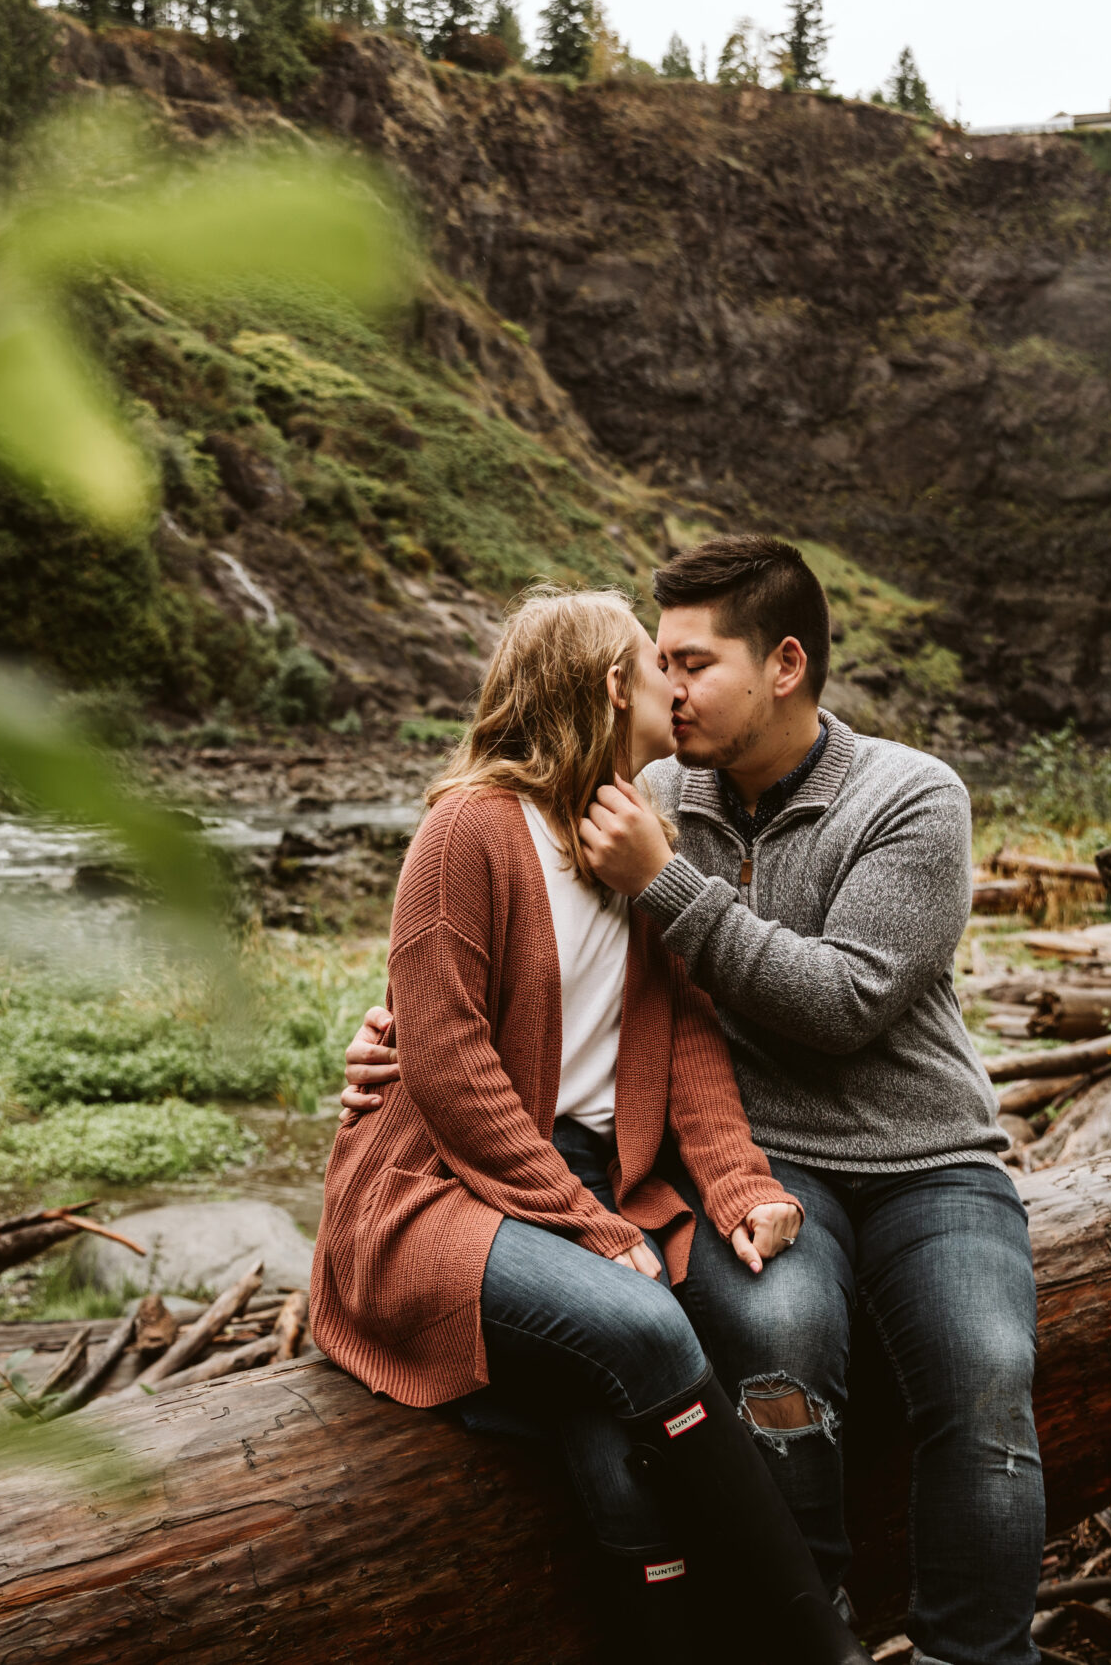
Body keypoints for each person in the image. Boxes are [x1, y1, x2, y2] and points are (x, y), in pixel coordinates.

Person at [344, 539, 1042, 1665]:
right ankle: (802, 1630)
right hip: (745, 1163)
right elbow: (503, 972)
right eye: (654, 662)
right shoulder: (635, 796)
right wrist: (393, 1030)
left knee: (987, 1378)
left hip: (923, 1158)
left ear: (783, 666)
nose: (669, 687)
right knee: (772, 1346)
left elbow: (841, 1003)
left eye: (692, 662)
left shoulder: (907, 795)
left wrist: (666, 881)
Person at [310, 584, 877, 1665]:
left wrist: (741, 1184)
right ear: (614, 685)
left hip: (576, 1181)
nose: (674, 681)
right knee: (648, 1327)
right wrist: (589, 1226)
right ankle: (821, 1648)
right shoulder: (465, 829)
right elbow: (447, 1063)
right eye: (652, 664)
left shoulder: (635, 839)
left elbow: (690, 1042)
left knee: (625, 1443)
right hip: (433, 1193)